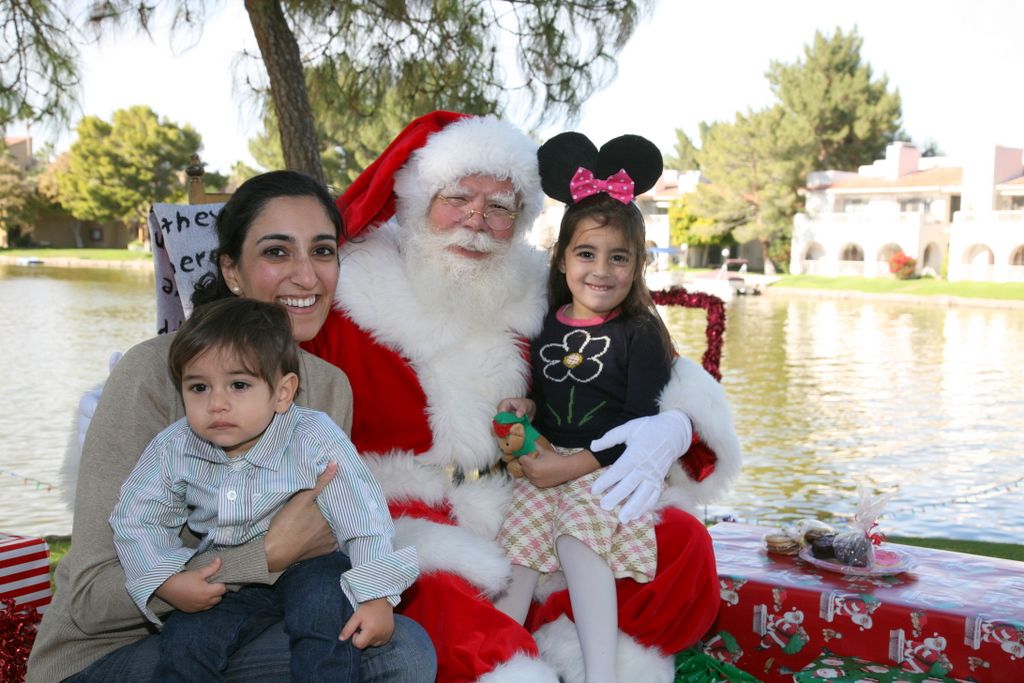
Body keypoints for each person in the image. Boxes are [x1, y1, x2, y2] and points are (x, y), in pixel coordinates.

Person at [302, 111, 743, 682]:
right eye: (457, 198)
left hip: (534, 493)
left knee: (680, 543)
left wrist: (676, 426)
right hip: (407, 508)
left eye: (500, 207)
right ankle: (514, 662)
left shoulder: (541, 290)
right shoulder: (350, 295)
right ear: (416, 199)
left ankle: (575, 649)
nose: (477, 222)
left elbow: (644, 366)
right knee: (431, 586)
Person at [26, 171, 437, 683]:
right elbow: (90, 595)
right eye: (277, 252)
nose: (307, 276)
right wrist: (262, 556)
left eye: (323, 251)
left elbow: (323, 542)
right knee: (393, 656)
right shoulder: (153, 375)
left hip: (244, 623)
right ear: (232, 271)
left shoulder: (328, 387)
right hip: (110, 651)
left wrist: (359, 580)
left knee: (396, 644)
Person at [109, 297, 418, 682]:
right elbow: (136, 518)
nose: (217, 404)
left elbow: (364, 516)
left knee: (327, 617)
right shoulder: (175, 447)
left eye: (239, 385)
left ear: (283, 392)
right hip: (233, 577)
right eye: (199, 387)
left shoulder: (314, 437)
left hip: (311, 565)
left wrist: (375, 596)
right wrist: (165, 580)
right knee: (186, 640)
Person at [492, 132, 674, 683]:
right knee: (516, 552)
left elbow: (641, 422)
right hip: (543, 464)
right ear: (563, 258)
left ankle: (602, 673)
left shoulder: (640, 332)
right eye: (587, 254)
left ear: (638, 264)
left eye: (619, 258)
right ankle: (500, 661)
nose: (602, 270)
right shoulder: (547, 322)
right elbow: (546, 396)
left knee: (577, 539)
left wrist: (574, 466)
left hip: (605, 472)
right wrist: (523, 406)